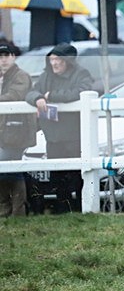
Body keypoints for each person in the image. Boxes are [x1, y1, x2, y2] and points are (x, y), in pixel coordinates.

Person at [25, 43, 94, 213]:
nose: (54, 63)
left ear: (67, 61)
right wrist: (38, 99)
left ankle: (79, 209)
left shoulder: (81, 74)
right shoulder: (45, 76)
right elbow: (30, 92)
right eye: (52, 60)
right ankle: (62, 209)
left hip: (74, 134)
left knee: (77, 175)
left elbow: (81, 92)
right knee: (57, 174)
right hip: (53, 135)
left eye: (58, 60)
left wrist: (53, 96)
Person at [0, 42, 36, 216]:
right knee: (8, 169)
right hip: (5, 132)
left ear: (13, 57)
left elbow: (14, 96)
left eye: (6, 56)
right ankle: (8, 209)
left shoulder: (21, 76)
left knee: (12, 170)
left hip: (16, 132)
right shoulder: (4, 77)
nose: (3, 60)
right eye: (0, 57)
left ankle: (17, 210)